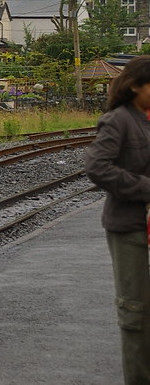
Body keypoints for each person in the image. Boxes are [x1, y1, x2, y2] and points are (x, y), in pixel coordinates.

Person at [85, 55, 150, 384]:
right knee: (136, 311)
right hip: (131, 228)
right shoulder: (119, 120)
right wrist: (145, 189)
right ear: (136, 86)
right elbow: (97, 167)